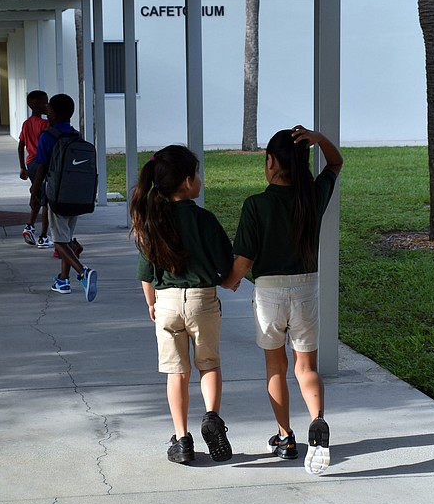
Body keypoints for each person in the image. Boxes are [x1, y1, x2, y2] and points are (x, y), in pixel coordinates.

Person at [223, 126, 343, 476]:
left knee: (275, 367)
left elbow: (242, 263)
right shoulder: (313, 197)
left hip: (269, 293)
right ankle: (317, 422)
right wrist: (319, 138)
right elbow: (335, 163)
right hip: (307, 289)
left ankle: (285, 437)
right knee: (305, 368)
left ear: (271, 161)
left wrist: (226, 282)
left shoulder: (256, 205)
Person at [130, 145, 234, 464]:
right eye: (198, 175)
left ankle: (182, 439)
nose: (199, 180)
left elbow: (146, 274)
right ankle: (212, 418)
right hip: (202, 300)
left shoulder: (152, 221)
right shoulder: (204, 219)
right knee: (209, 364)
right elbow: (224, 264)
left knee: (176, 373)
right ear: (187, 182)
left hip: (167, 303)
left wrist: (152, 304)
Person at [29, 93, 97, 302]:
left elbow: (42, 166)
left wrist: (35, 191)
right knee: (66, 239)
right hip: (76, 194)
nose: (47, 112)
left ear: (54, 113)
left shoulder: (48, 137)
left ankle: (82, 272)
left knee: (58, 241)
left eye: (49, 109)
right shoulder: (76, 135)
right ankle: (63, 280)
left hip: (57, 195)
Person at [18, 90, 52, 248]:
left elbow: (20, 145)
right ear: (36, 105)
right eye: (46, 102)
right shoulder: (45, 124)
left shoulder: (26, 123)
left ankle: (29, 227)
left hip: (30, 164)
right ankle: (44, 237)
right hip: (42, 165)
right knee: (46, 202)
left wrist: (22, 167)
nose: (48, 105)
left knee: (37, 196)